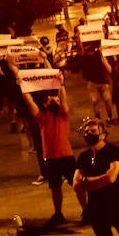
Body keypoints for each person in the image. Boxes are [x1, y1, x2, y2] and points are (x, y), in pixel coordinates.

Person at [24, 85, 83, 223]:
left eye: (56, 99)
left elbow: (64, 101)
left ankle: (86, 210)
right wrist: (23, 87)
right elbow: (29, 102)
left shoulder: (63, 115)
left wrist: (62, 86)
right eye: (50, 100)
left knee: (77, 185)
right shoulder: (42, 118)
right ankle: (58, 214)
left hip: (66, 156)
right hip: (51, 158)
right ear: (44, 104)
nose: (54, 101)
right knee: (55, 187)